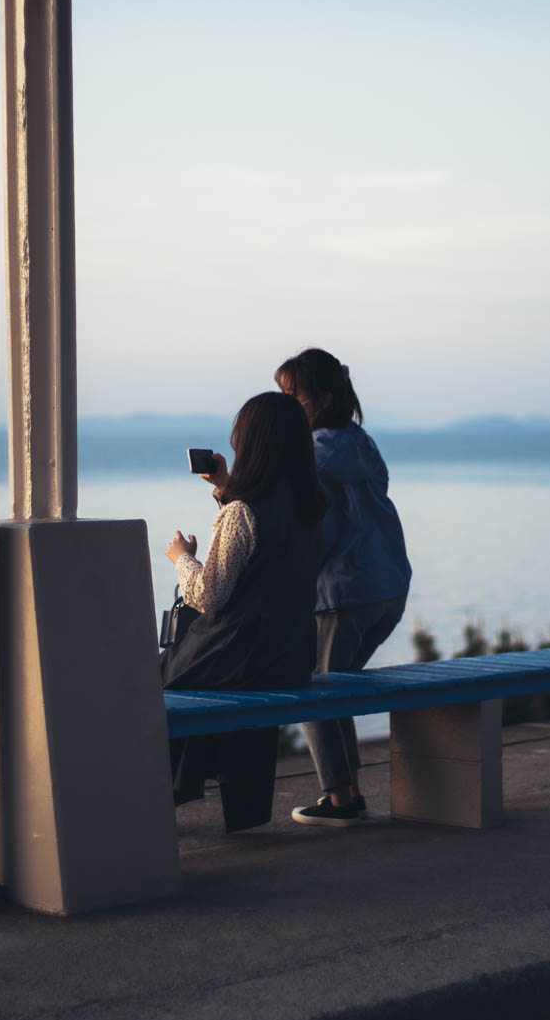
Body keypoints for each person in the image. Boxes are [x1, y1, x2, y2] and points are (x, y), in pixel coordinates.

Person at [161, 391, 328, 831]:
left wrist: (181, 557)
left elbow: (208, 595)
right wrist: (224, 486)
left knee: (156, 679)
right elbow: (265, 556)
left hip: (235, 655)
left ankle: (159, 793)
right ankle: (244, 810)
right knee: (223, 702)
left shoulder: (241, 513)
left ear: (251, 442)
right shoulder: (310, 507)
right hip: (289, 656)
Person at [274, 349, 412, 828]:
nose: (286, 405)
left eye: (294, 396)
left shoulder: (308, 454)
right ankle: (347, 792)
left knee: (310, 688)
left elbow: (277, 505)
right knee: (334, 686)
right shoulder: (362, 445)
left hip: (343, 593)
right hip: (387, 587)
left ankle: (340, 798)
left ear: (324, 398)